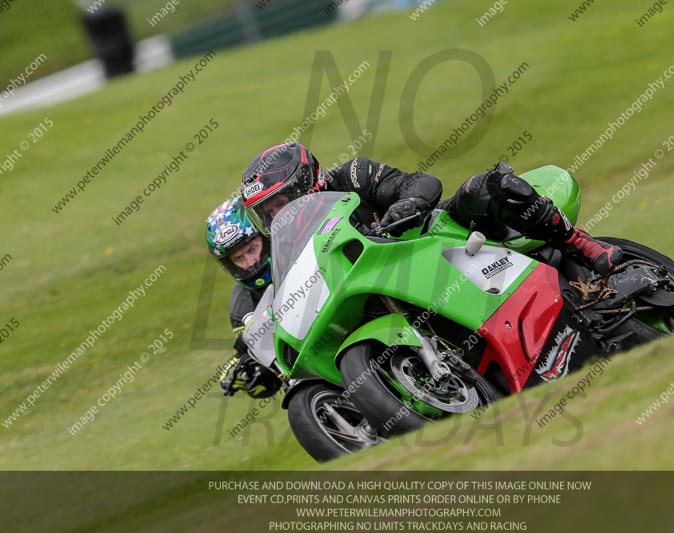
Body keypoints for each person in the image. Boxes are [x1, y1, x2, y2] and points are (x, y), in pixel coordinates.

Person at [240, 143, 621, 275]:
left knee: (486, 186)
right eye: (267, 212)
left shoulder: (352, 174)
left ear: (306, 182)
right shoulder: (291, 246)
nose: (277, 216)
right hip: (389, 282)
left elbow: (421, 184)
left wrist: (406, 205)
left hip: (440, 236)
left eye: (279, 202)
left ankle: (582, 244)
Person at [205, 194, 282, 399]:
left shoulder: (298, 248)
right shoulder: (241, 310)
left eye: (252, 249)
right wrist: (250, 374)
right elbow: (272, 382)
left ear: (265, 238)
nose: (250, 263)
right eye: (239, 258)